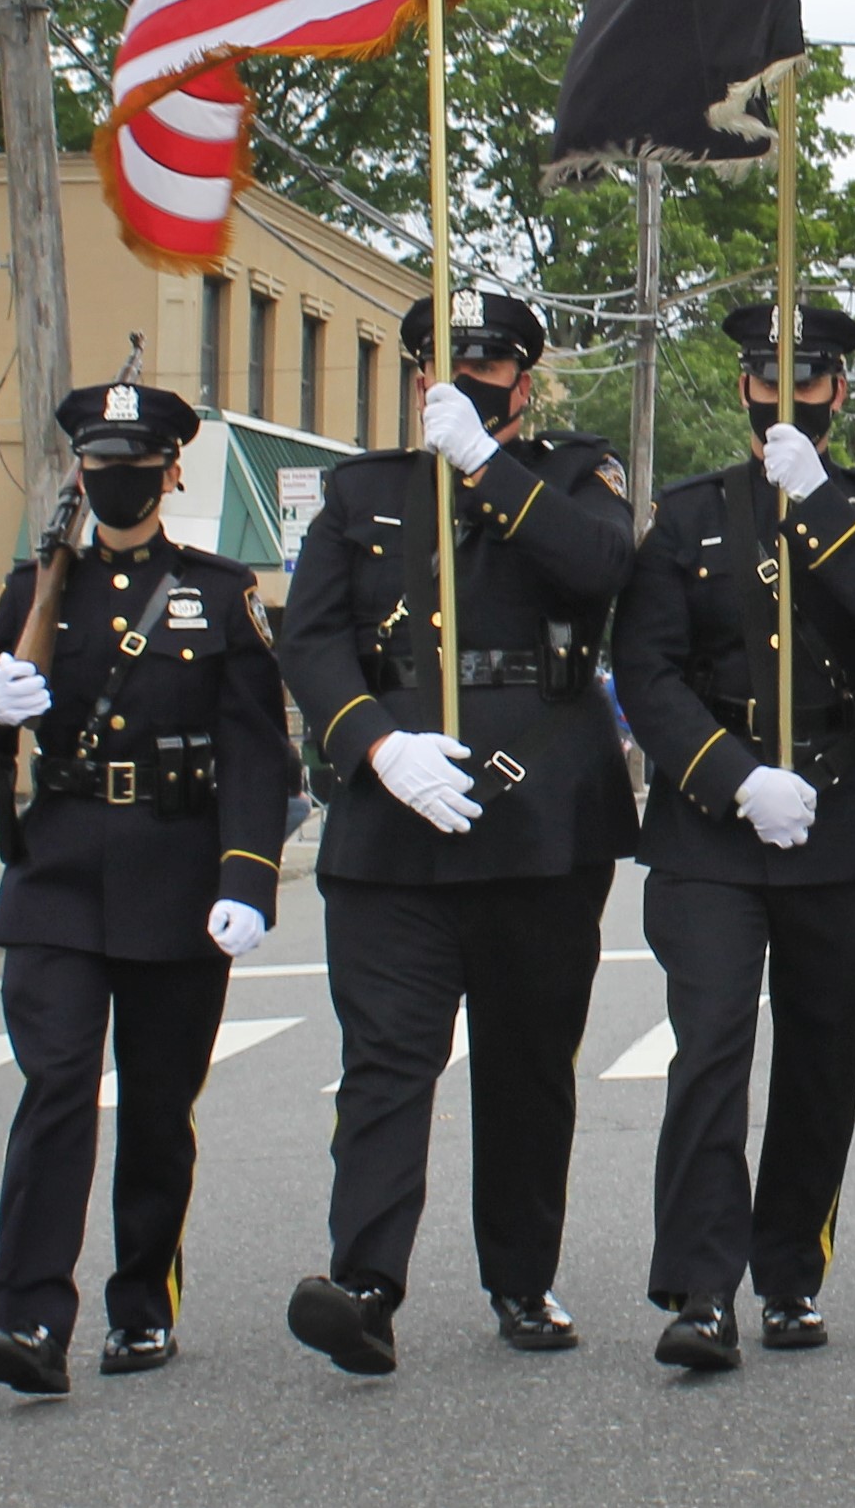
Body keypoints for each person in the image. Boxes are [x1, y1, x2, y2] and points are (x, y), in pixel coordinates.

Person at [275, 291, 637, 1378]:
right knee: (385, 1058)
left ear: (523, 382)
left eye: (487, 361)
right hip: (396, 818)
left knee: (528, 1064)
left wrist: (484, 462)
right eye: (444, 358)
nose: (464, 372)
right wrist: (376, 746)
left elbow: (599, 567)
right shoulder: (361, 490)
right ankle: (365, 1281)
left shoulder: (573, 473)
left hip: (537, 820)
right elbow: (313, 639)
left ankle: (521, 1278)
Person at [0, 381, 294, 1395]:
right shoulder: (32, 588)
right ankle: (25, 1315)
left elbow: (257, 750)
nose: (118, 476)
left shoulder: (220, 593)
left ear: (173, 469)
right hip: (57, 869)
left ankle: (142, 1298)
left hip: (176, 867)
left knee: (154, 1103)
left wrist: (247, 877)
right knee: (55, 1085)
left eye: (138, 459)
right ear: (80, 471)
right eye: (100, 459)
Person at [614, 301, 855, 1374]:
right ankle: (700, 1287)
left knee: (818, 1054)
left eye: (809, 381)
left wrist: (820, 503)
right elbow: (649, 671)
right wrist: (730, 773)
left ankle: (790, 1269)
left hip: (839, 811)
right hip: (715, 818)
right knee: (710, 1044)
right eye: (768, 377)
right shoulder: (689, 513)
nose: (786, 395)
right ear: (748, 384)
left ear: (837, 393)